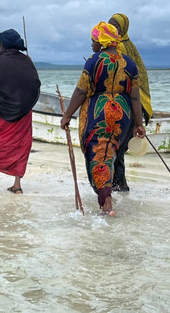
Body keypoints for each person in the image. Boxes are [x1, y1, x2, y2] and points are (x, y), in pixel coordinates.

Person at [59, 21, 146, 215]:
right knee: (109, 153)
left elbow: (81, 91)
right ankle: (108, 197)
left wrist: (67, 115)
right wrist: (138, 124)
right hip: (122, 114)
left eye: (93, 41)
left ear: (102, 41)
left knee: (98, 154)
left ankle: (107, 203)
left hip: (98, 114)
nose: (92, 45)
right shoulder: (129, 64)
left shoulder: (93, 61)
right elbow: (135, 97)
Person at [0, 28, 41, 193]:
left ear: (2, 44)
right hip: (24, 110)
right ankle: (17, 185)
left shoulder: (3, 60)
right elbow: (34, 83)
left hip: (3, 111)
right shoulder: (27, 60)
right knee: (21, 145)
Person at [108, 13, 152, 192]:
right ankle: (119, 183)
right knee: (119, 147)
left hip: (128, 103)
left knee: (117, 147)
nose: (112, 29)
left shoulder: (121, 48)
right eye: (110, 26)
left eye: (115, 27)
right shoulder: (126, 46)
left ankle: (118, 185)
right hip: (131, 103)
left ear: (122, 29)